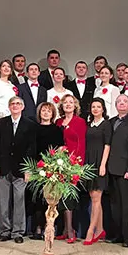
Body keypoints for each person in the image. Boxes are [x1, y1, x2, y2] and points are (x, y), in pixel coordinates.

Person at [0, 96, 37, 244]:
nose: (15, 106)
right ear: (9, 107)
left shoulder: (30, 125)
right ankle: (4, 231)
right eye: (12, 104)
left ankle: (18, 232)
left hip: (21, 170)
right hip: (3, 168)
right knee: (3, 202)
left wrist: (29, 169)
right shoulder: (1, 123)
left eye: (18, 104)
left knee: (19, 202)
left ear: (23, 107)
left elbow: (32, 149)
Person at [107, 95, 128, 246]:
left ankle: (127, 237)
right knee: (115, 205)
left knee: (126, 205)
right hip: (111, 168)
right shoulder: (111, 122)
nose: (121, 104)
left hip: (125, 170)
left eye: (125, 102)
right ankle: (117, 234)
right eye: (119, 101)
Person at [30, 102, 64, 240]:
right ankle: (38, 227)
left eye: (48, 111)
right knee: (37, 198)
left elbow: (60, 148)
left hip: (52, 168)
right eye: (43, 110)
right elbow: (30, 148)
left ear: (53, 114)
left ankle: (48, 227)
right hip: (37, 167)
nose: (45, 113)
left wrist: (55, 165)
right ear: (39, 113)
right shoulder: (33, 129)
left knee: (50, 199)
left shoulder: (57, 130)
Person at [56, 94, 86, 243]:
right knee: (60, 196)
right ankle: (63, 229)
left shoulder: (79, 122)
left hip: (73, 163)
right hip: (58, 163)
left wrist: (76, 164)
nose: (68, 104)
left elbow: (81, 143)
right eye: (65, 102)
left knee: (68, 196)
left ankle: (70, 230)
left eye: (71, 102)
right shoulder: (58, 122)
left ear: (75, 106)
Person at [83, 99, 112, 245]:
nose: (95, 109)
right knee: (93, 197)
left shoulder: (106, 125)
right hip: (89, 163)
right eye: (93, 106)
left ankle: (91, 231)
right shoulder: (88, 125)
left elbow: (107, 145)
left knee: (96, 198)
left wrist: (103, 165)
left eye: (98, 107)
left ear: (103, 109)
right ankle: (100, 229)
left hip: (99, 162)